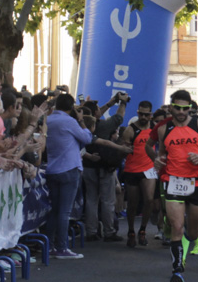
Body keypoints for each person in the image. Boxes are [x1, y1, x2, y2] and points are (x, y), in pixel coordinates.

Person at [153, 90, 198, 282]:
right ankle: (177, 270)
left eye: (185, 108)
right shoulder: (164, 129)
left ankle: (189, 247)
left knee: (193, 231)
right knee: (177, 227)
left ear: (191, 107)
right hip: (173, 181)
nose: (181, 112)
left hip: (196, 183)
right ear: (171, 107)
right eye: (177, 108)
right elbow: (161, 152)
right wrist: (157, 159)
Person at [45, 94, 102, 259]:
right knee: (64, 211)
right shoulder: (69, 122)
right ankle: (62, 247)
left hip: (52, 168)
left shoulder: (48, 120)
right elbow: (87, 137)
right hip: (69, 168)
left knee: (55, 210)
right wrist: (81, 120)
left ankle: (49, 245)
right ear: (71, 107)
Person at [82, 93, 130, 242]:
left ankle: (91, 231)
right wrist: (122, 103)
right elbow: (118, 118)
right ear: (95, 113)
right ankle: (109, 231)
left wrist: (110, 103)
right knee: (108, 200)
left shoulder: (81, 124)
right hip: (105, 165)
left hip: (88, 165)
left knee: (91, 199)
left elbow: (95, 113)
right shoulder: (103, 126)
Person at [120, 100, 159, 247]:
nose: (143, 117)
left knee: (149, 199)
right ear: (137, 113)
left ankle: (142, 230)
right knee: (133, 204)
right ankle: (131, 231)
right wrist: (125, 148)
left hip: (148, 169)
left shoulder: (154, 129)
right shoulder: (130, 130)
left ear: (150, 114)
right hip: (132, 170)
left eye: (146, 114)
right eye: (141, 114)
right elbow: (124, 149)